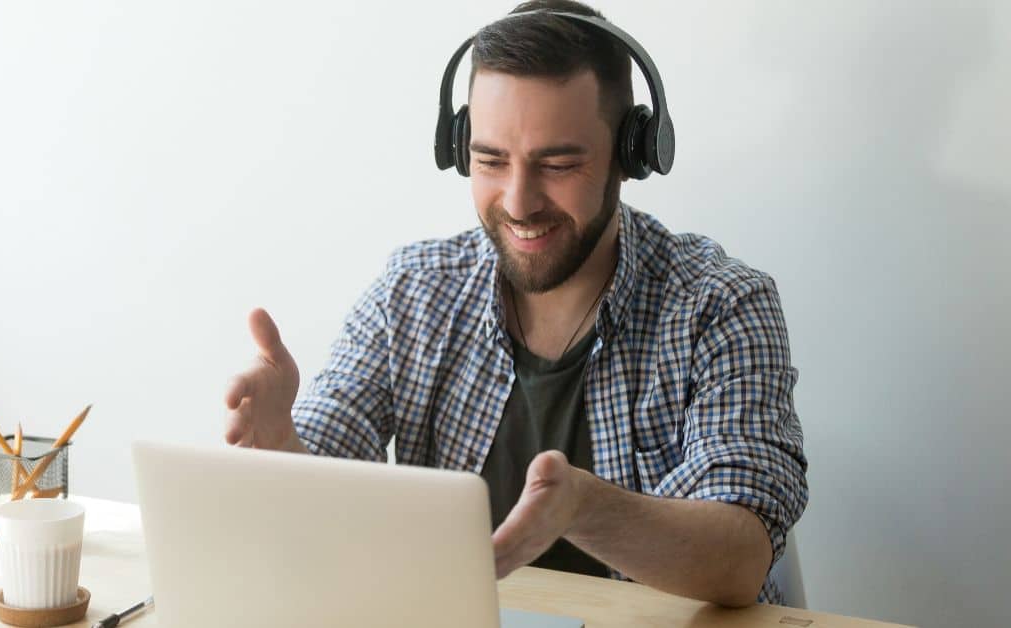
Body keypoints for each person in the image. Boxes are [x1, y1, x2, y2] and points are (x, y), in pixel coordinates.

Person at [223, 0, 808, 608]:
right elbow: (325, 487)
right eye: (490, 160)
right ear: (459, 149)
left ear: (633, 155)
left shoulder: (721, 304)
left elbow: (740, 560)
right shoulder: (414, 291)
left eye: (558, 164)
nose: (520, 202)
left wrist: (584, 508)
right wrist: (282, 448)